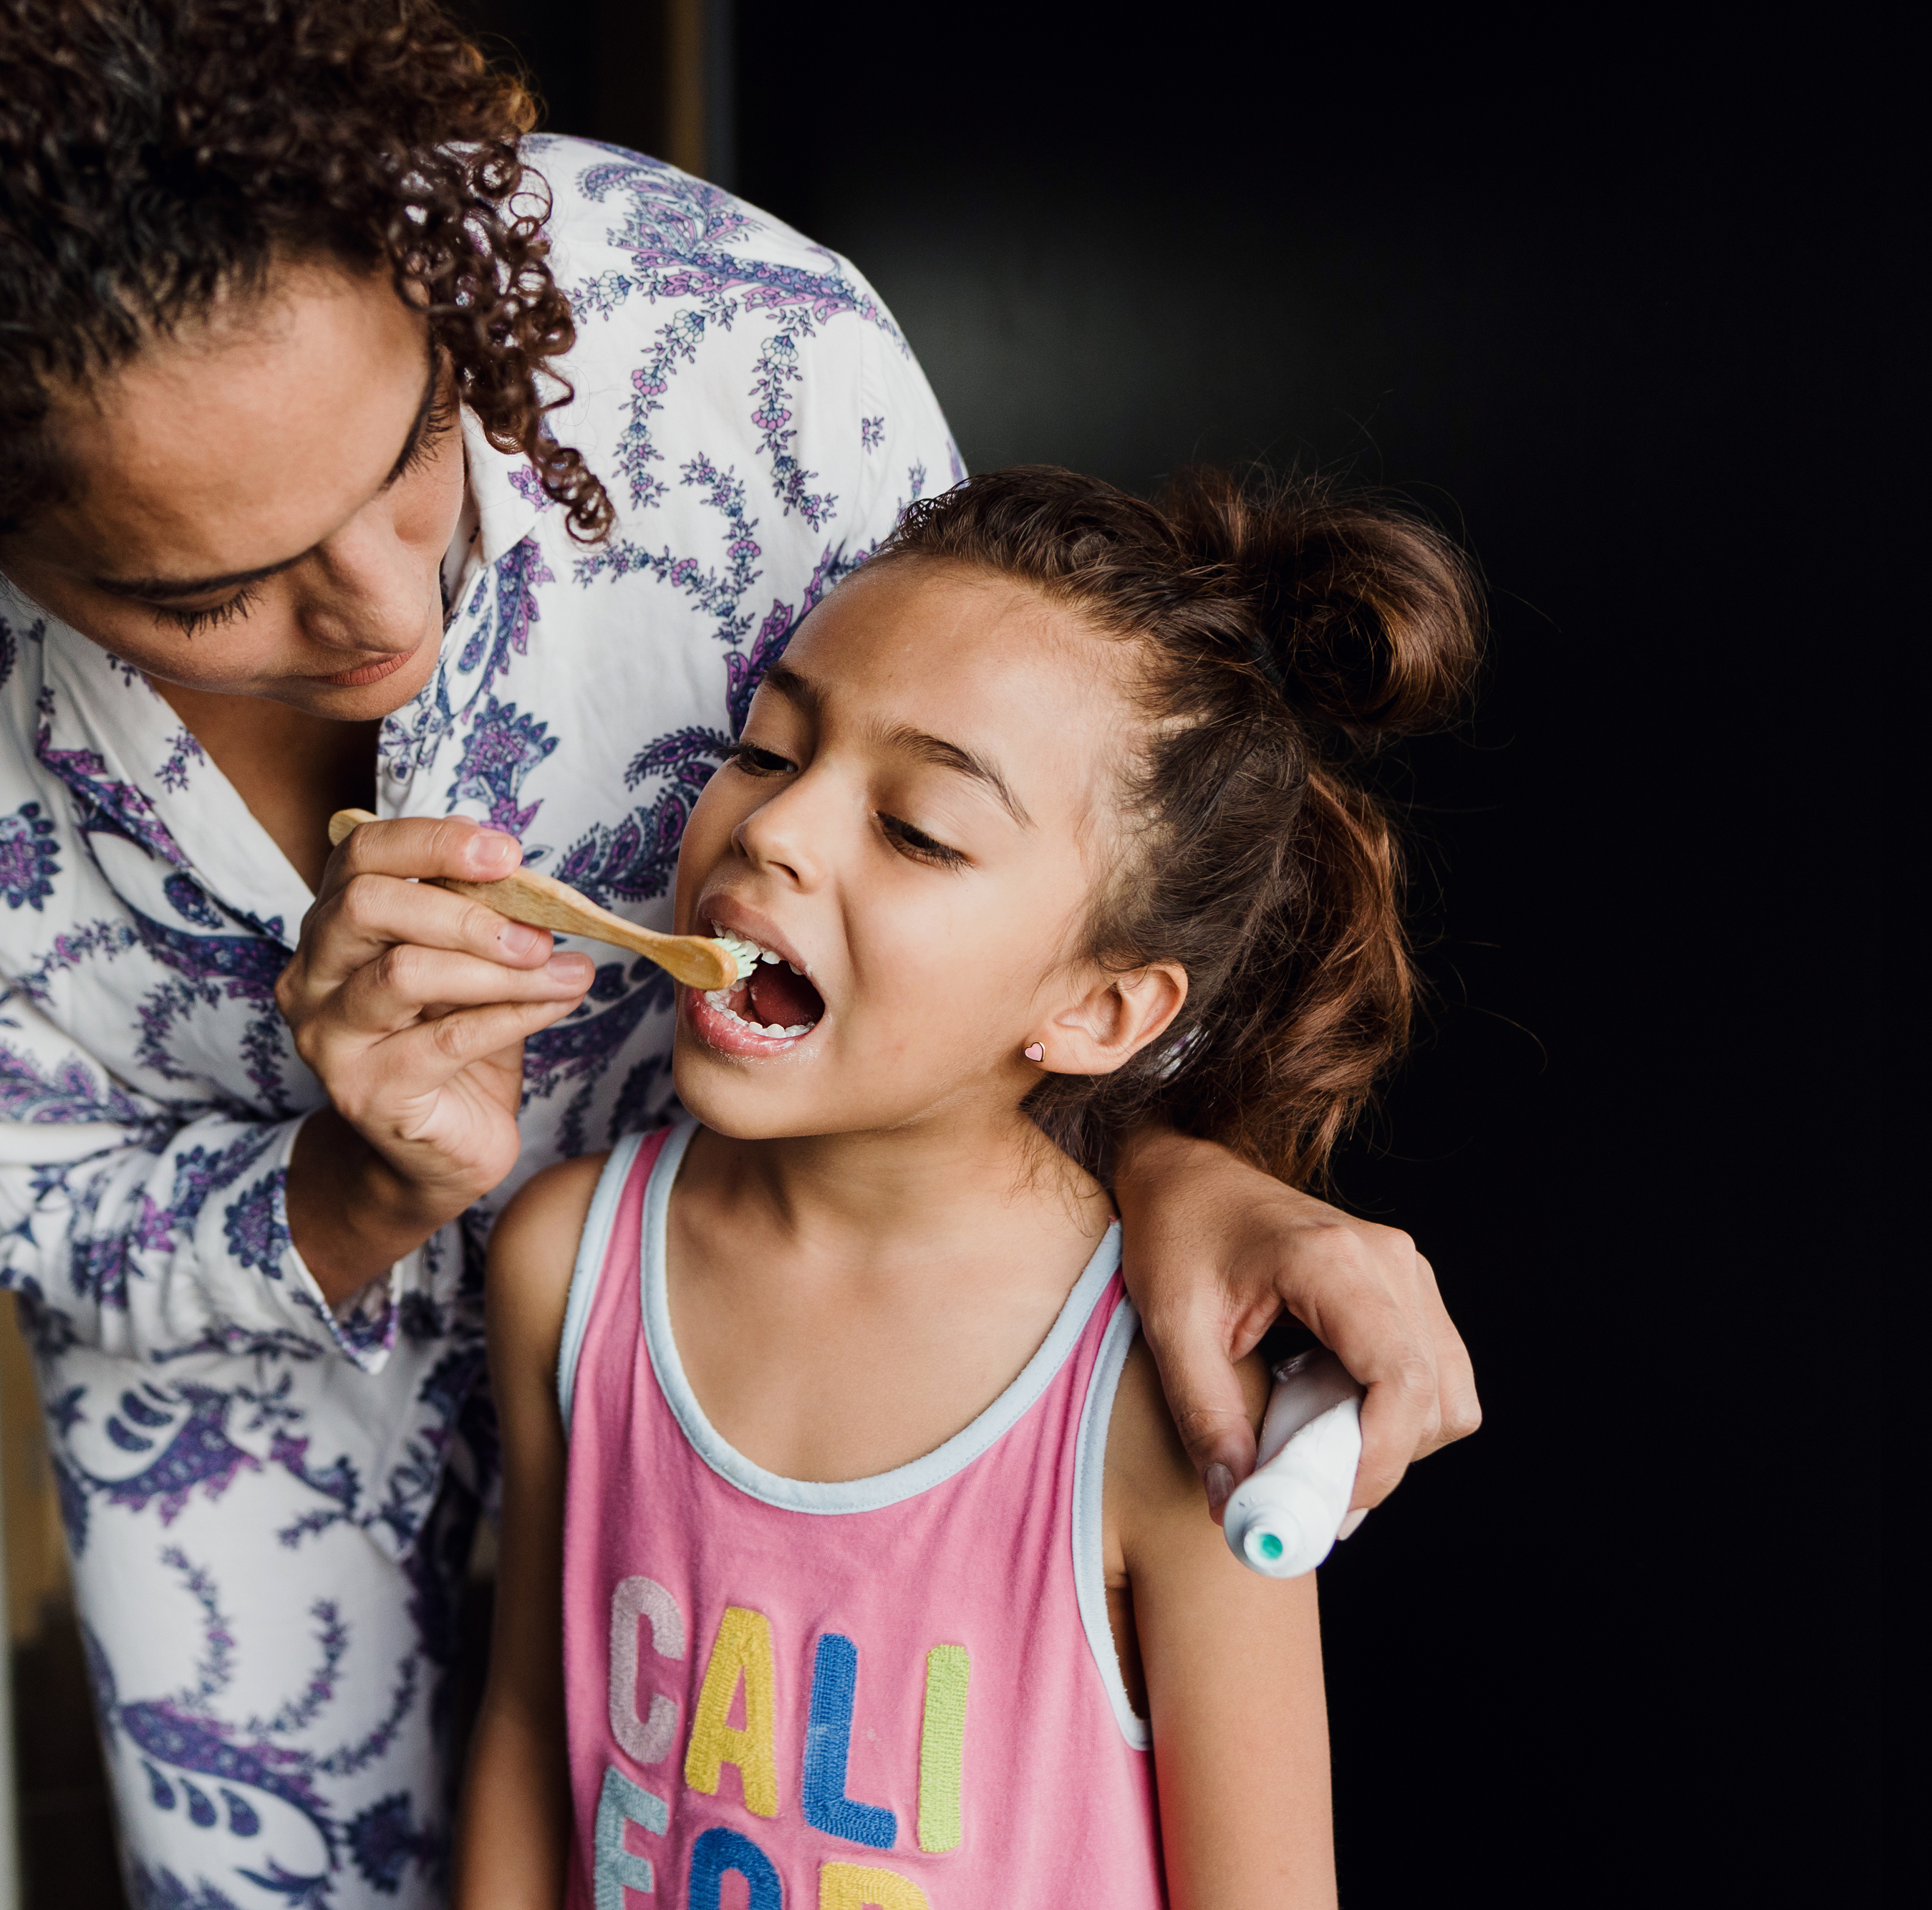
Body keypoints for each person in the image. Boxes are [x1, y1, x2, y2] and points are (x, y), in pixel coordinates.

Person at [0, 5, 1477, 1900]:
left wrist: (1184, 1173)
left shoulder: (746, 347)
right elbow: (72, 1217)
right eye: (205, 592)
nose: (386, 607)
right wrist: (359, 1185)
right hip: (253, 1534)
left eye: (413, 455)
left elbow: (1045, 835)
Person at [461, 464, 1482, 1907]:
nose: (773, 828)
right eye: (764, 750)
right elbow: (529, 1720)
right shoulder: (565, 1262)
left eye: (919, 827)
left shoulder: (1166, 1401)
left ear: (1100, 1011)